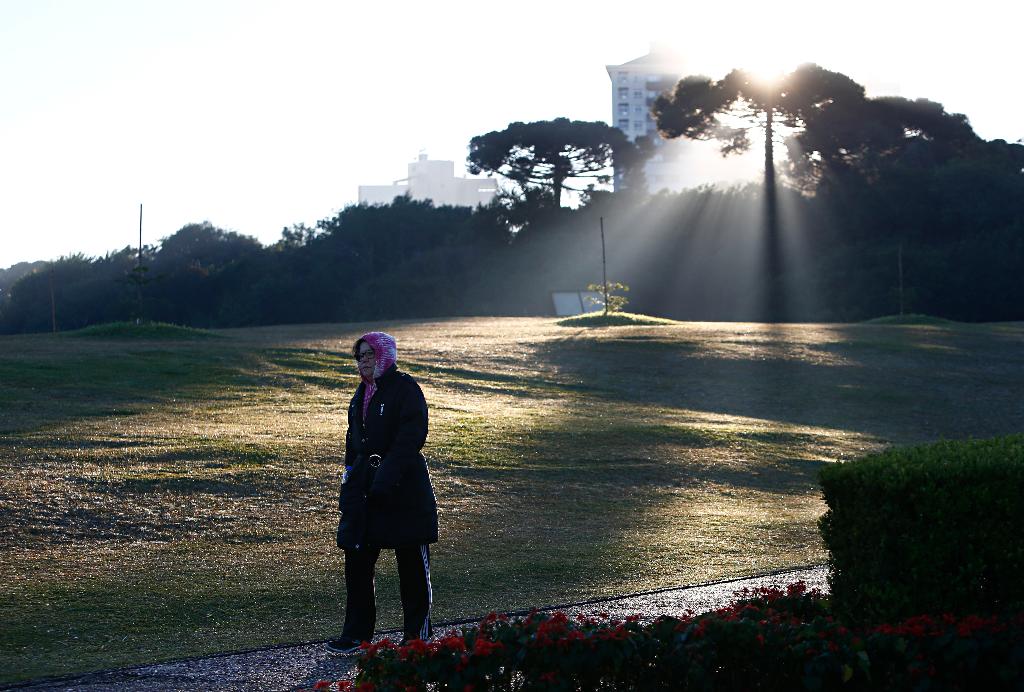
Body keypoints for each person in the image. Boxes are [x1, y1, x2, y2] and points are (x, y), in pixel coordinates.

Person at [325, 331, 439, 655]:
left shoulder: (406, 390)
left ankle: (417, 637)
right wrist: (349, 485)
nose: (363, 361)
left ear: (385, 355)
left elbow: (411, 438)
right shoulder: (359, 397)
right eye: (359, 356)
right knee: (357, 561)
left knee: (412, 565)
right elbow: (353, 447)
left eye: (369, 354)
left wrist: (385, 478)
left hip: (404, 491)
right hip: (366, 494)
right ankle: (356, 635)